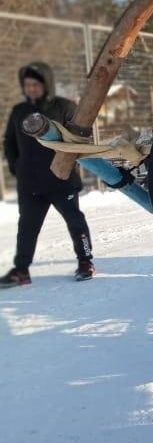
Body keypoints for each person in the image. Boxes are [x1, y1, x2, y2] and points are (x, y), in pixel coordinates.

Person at [2, 62, 95, 287]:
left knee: (75, 221)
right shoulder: (19, 111)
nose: (31, 89)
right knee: (27, 227)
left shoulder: (63, 107)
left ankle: (85, 261)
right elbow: (9, 142)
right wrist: (17, 166)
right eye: (27, 85)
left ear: (46, 84)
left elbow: (81, 138)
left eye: (35, 84)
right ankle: (21, 270)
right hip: (30, 183)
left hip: (61, 179)